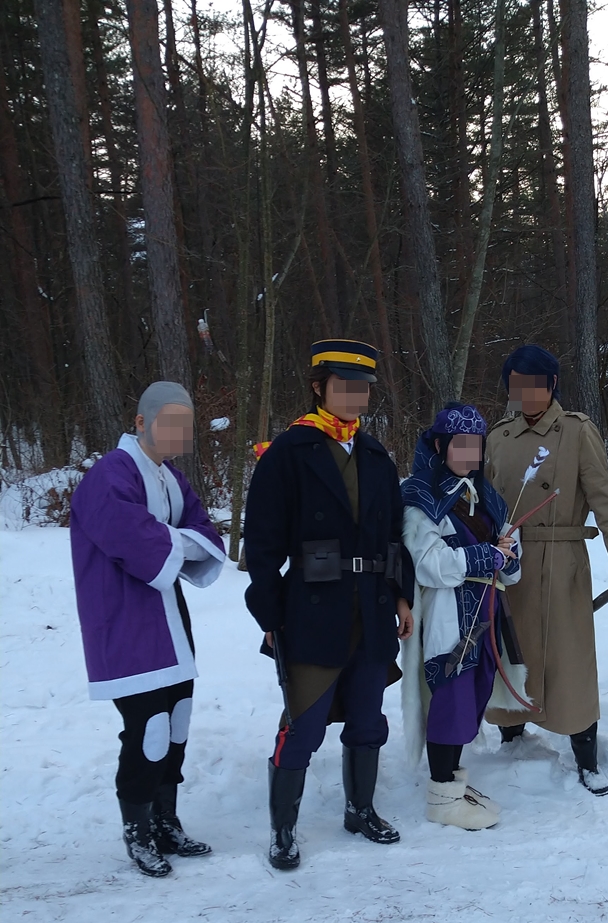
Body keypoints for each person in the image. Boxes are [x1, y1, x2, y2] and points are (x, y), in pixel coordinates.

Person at [244, 339, 415, 870]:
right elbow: (263, 546)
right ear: (319, 387)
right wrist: (270, 616)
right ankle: (283, 830)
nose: (353, 396)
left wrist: (403, 595)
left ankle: (360, 810)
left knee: (368, 718)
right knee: (304, 722)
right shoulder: (288, 454)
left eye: (361, 388)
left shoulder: (375, 455)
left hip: (371, 604)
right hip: (313, 609)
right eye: (343, 385)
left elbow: (394, 534)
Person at [70, 382, 225, 877]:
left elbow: (207, 535)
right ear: (141, 422)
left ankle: (166, 821)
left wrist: (173, 539)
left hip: (169, 622)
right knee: (150, 729)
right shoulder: (108, 477)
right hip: (124, 622)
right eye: (170, 422)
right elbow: (135, 541)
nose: (179, 434)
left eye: (187, 425)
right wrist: (178, 541)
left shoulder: (168, 478)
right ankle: (137, 830)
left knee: (176, 719)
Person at [483, 344, 608, 795]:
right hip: (508, 564)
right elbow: (483, 503)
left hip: (561, 561)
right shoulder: (499, 436)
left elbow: (605, 500)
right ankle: (512, 737)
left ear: (551, 386)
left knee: (569, 662)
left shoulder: (575, 431)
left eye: (534, 384)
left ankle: (586, 757)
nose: (525, 393)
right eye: (516, 385)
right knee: (510, 652)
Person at [401, 404, 522, 829]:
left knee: (473, 696)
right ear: (440, 445)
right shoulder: (419, 495)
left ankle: (453, 782)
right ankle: (441, 796)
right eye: (461, 444)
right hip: (447, 617)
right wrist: (486, 555)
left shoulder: (487, 496)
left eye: (476, 444)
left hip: (486, 615)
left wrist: (507, 555)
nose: (470, 452)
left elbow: (512, 564)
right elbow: (428, 563)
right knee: (449, 700)